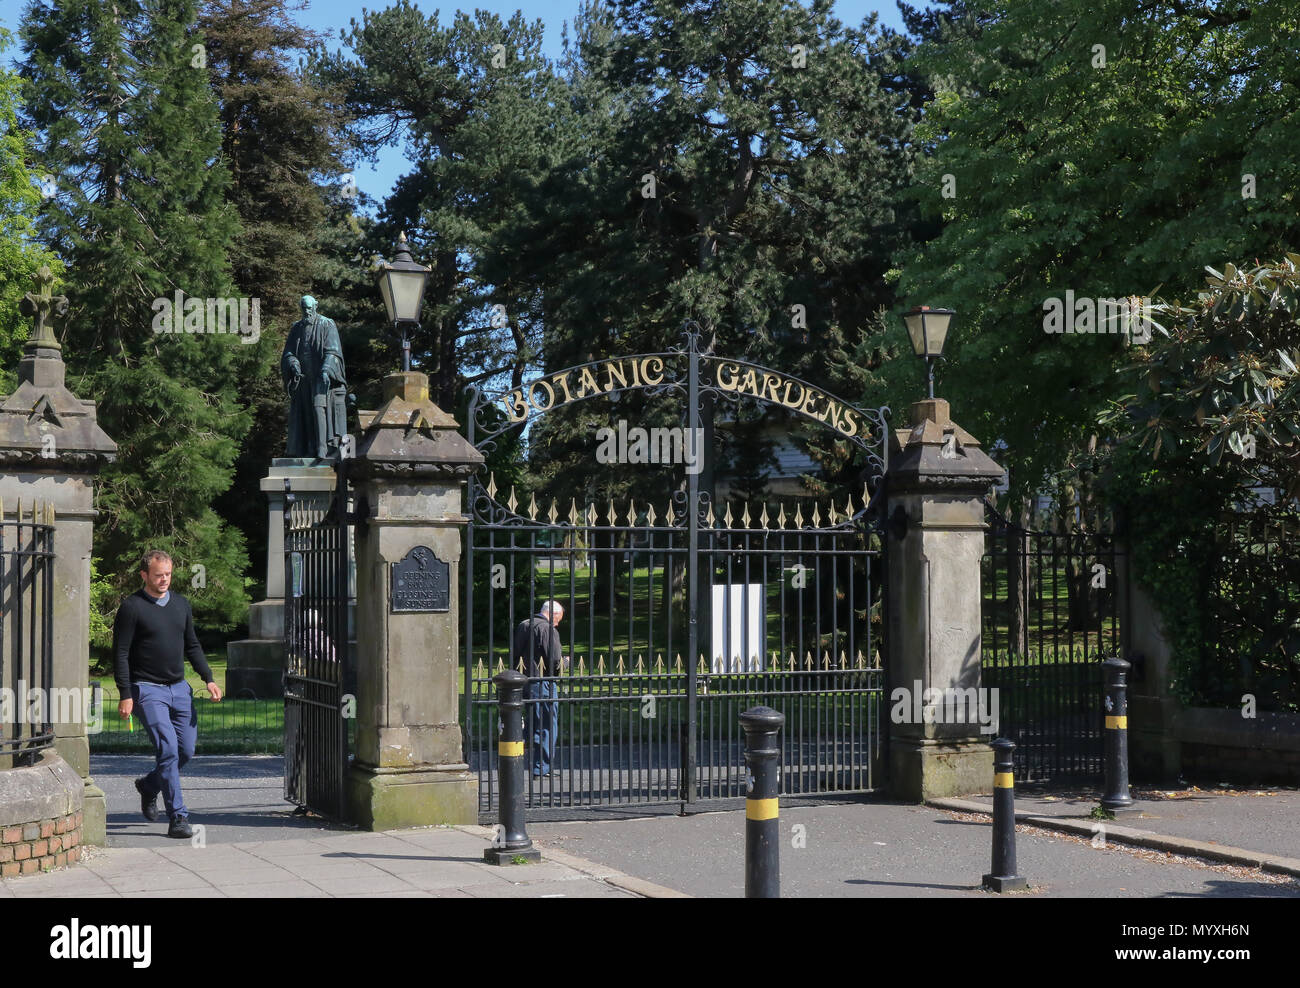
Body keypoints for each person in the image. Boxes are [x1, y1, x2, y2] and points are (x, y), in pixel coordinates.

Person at [113, 550, 223, 838]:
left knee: (186, 750)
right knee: (168, 750)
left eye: (168, 574)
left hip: (179, 689)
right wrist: (126, 693)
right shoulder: (132, 607)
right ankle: (179, 818)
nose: (164, 580)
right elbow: (121, 653)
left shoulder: (181, 605)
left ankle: (149, 786)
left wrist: (208, 678)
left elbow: (192, 646)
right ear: (144, 575)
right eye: (159, 575)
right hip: (147, 690)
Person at [512, 601, 565, 777]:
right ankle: (541, 767)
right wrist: (565, 663)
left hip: (523, 680)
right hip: (543, 681)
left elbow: (515, 653)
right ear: (553, 614)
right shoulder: (548, 629)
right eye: (558, 620)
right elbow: (555, 660)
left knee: (529, 723)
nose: (557, 624)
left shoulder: (523, 625)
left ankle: (513, 762)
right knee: (547, 725)